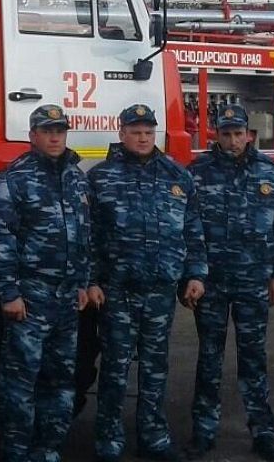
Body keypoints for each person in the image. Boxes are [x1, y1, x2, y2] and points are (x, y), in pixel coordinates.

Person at [87, 104, 208, 462]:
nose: (142, 137)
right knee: (114, 369)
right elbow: (88, 236)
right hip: (118, 292)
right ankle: (109, 441)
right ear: (121, 133)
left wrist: (195, 273)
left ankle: (153, 438)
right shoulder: (101, 178)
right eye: (135, 131)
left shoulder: (177, 176)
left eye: (148, 131)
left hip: (160, 290)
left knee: (155, 368)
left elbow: (192, 228)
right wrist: (91, 280)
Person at [185, 106, 274, 462]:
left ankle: (262, 431)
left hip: (253, 282)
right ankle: (204, 431)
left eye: (239, 134)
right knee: (209, 359)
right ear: (215, 135)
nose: (233, 141)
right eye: (226, 134)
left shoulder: (269, 172)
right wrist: (193, 275)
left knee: (253, 358)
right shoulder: (197, 173)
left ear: (249, 134)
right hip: (212, 284)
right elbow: (188, 230)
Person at [0, 104, 92, 462]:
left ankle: (49, 451)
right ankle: (16, 453)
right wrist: (9, 293)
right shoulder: (13, 179)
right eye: (47, 131)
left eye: (60, 130)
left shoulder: (76, 178)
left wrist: (81, 282)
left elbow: (84, 235)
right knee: (20, 383)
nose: (55, 136)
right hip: (30, 300)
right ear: (32, 137)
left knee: (61, 381)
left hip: (65, 300)